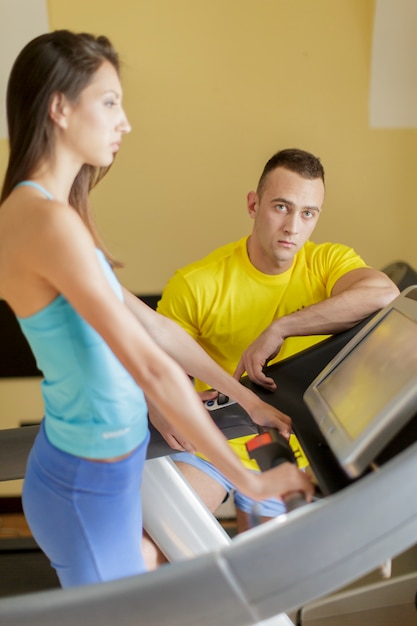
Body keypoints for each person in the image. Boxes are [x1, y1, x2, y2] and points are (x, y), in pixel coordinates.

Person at [0, 32, 313, 588]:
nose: (125, 122)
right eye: (110, 102)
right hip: (87, 485)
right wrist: (247, 477)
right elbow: (148, 366)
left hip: (98, 471)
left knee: (142, 584)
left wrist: (245, 398)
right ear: (59, 107)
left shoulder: (50, 211)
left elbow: (155, 327)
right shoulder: (46, 222)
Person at [146, 148, 399, 564]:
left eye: (308, 213)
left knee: (270, 577)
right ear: (253, 204)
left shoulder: (327, 262)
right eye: (281, 207)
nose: (293, 227)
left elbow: (383, 294)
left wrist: (281, 328)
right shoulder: (197, 284)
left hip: (302, 450)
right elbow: (156, 367)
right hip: (219, 445)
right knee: (150, 548)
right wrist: (157, 400)